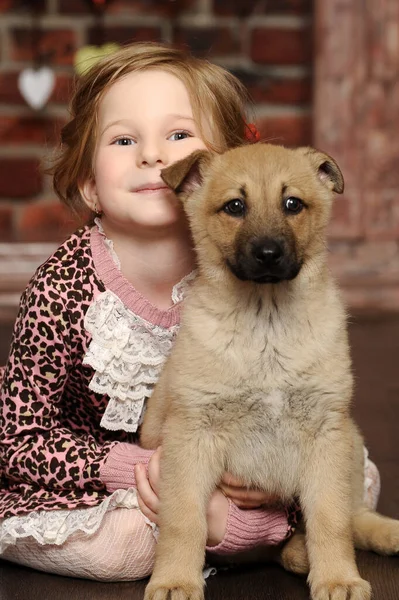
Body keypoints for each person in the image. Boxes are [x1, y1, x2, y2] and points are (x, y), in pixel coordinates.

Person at [0, 42, 380, 582]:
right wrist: (136, 471)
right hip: (102, 480)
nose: (155, 156)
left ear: (210, 167)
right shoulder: (62, 287)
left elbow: (293, 422)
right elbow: (17, 437)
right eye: (125, 139)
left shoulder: (218, 270)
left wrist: (273, 480)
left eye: (177, 135)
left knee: (353, 469)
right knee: (128, 546)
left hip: (229, 469)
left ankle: (265, 531)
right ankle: (259, 538)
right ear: (88, 184)